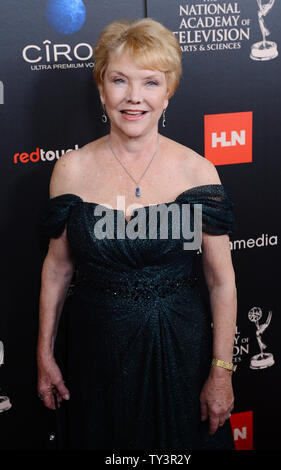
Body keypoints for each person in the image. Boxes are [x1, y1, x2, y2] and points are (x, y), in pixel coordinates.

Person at [37, 17, 237, 450]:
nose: (134, 97)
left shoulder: (197, 171)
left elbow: (221, 280)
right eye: (119, 80)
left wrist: (221, 370)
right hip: (95, 355)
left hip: (181, 352)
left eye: (150, 82)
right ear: (101, 88)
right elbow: (57, 270)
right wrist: (45, 354)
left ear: (168, 93)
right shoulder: (70, 170)